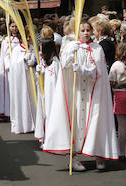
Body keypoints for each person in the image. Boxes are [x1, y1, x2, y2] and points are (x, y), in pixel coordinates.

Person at [42, 19, 118, 171]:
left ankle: (99, 154)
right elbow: (64, 66)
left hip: (93, 93)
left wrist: (84, 70)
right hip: (76, 92)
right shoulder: (71, 46)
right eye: (82, 30)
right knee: (76, 122)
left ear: (92, 31)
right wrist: (70, 56)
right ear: (77, 32)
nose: (86, 33)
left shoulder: (97, 48)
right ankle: (74, 157)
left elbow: (100, 71)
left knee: (95, 122)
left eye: (88, 30)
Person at [6, 31, 35, 136]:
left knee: (32, 100)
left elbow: (37, 61)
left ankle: (34, 124)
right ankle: (22, 124)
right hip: (21, 81)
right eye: (26, 37)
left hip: (31, 80)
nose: (28, 39)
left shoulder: (33, 48)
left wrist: (33, 61)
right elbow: (13, 66)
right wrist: (23, 60)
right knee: (22, 99)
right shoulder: (17, 50)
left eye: (29, 37)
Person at [33, 37, 59, 144]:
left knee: (50, 114)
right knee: (43, 114)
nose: (40, 50)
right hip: (43, 92)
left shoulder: (55, 63)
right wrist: (39, 72)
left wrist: (44, 72)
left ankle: (50, 139)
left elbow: (55, 80)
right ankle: (44, 137)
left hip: (52, 94)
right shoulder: (44, 60)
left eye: (41, 48)